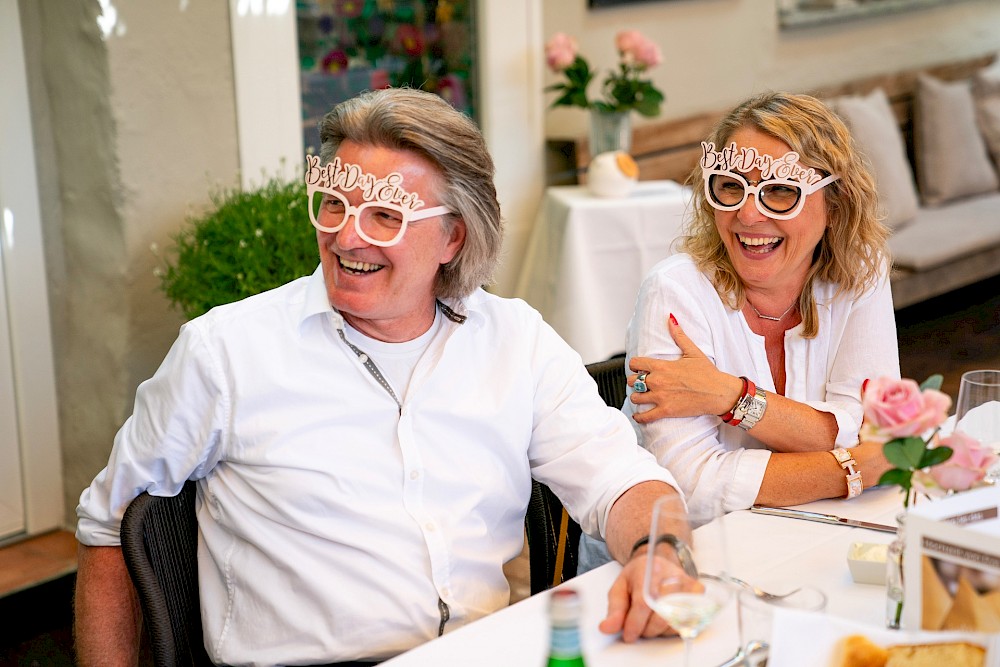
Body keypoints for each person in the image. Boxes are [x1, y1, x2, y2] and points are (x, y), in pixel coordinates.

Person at [73, 87, 687, 666]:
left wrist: (658, 554)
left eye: (385, 216)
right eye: (336, 204)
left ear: (454, 235)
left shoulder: (514, 341)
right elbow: (108, 525)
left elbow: (622, 478)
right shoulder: (226, 353)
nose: (345, 235)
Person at [626, 91, 902, 517]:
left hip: (813, 529)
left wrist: (730, 396)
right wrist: (850, 470)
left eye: (780, 192)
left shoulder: (860, 272)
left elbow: (877, 431)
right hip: (678, 557)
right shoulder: (675, 292)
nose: (749, 215)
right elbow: (687, 487)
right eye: (731, 188)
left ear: (836, 201)